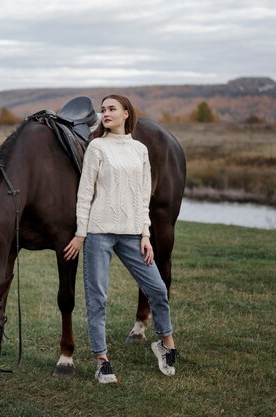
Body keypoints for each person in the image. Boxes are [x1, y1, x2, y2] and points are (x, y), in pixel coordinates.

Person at [63, 94, 178, 384]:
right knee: (97, 298)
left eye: (112, 108)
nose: (105, 113)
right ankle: (101, 360)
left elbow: (143, 198)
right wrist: (81, 233)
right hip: (99, 233)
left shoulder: (140, 150)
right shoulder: (97, 147)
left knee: (158, 289)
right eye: (102, 110)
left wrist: (146, 234)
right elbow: (85, 194)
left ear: (127, 113)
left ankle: (166, 343)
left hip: (132, 235)